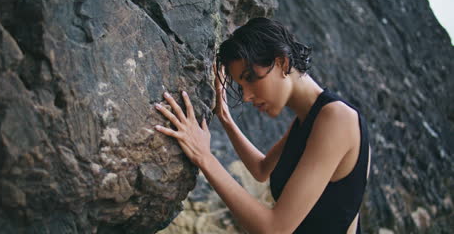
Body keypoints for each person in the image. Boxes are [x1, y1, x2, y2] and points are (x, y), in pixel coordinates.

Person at [154, 17, 371, 234]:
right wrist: (224, 117)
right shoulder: (307, 120)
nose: (247, 96)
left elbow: (275, 229)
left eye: (250, 78)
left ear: (282, 63)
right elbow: (262, 169)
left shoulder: (337, 119)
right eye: (241, 86)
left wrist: (204, 157)